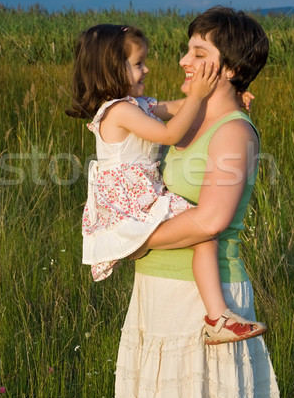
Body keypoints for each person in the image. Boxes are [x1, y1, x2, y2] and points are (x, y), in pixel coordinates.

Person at [114, 7, 294, 398]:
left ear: (229, 69)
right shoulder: (189, 121)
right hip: (159, 291)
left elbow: (212, 219)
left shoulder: (233, 132)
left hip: (201, 298)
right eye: (187, 48)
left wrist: (129, 238)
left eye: (199, 52)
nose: (182, 60)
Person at [68, 23, 266, 344]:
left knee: (203, 235)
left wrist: (225, 100)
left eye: (197, 53)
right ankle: (217, 317)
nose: (147, 69)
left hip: (144, 196)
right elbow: (171, 133)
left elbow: (178, 108)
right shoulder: (118, 110)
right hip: (130, 199)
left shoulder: (138, 105)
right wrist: (201, 94)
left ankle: (217, 317)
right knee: (202, 236)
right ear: (111, 70)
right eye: (137, 64)